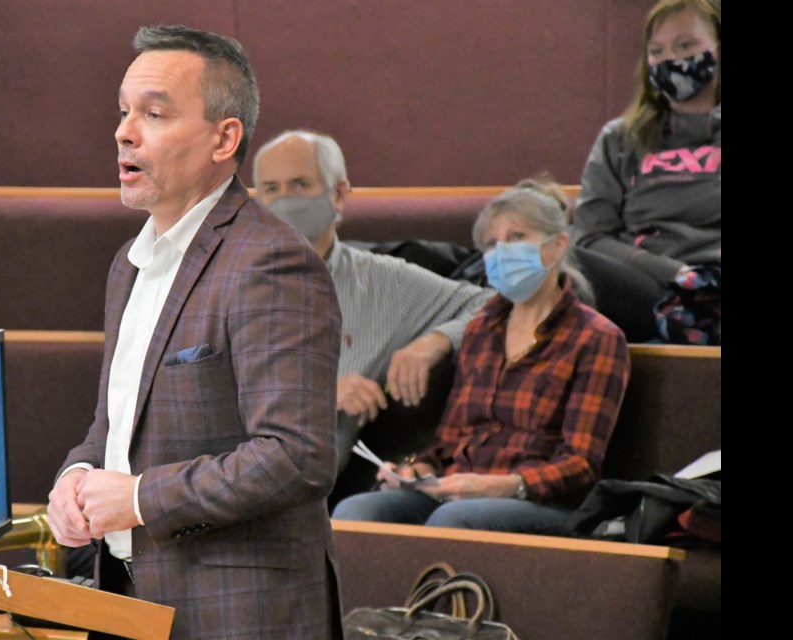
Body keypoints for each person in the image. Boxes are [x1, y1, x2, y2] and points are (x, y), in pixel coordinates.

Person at [46, 26, 344, 640]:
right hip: (129, 600)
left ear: (223, 138)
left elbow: (295, 457)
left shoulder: (269, 261)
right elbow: (116, 428)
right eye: (124, 112)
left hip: (237, 613)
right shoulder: (128, 262)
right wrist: (74, 478)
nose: (124, 132)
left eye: (153, 113)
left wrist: (138, 500)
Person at [332, 186, 631, 534]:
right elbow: (452, 439)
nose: (502, 252)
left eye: (517, 237)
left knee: (453, 519)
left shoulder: (596, 338)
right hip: (460, 491)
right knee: (357, 510)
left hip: (540, 501)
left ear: (557, 245)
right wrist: (416, 470)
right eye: (492, 244)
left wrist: (502, 485)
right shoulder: (481, 330)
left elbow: (580, 467)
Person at [252, 129, 494, 474]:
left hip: (317, 494)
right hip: (233, 478)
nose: (285, 201)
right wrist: (322, 396)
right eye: (271, 190)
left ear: (338, 194)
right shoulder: (225, 281)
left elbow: (491, 304)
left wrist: (435, 342)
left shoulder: (383, 281)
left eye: (300, 186)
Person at [572, 0, 720, 341]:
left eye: (685, 45)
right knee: (556, 259)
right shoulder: (620, 138)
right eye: (657, 50)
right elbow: (591, 237)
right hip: (648, 282)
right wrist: (677, 273)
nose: (670, 59)